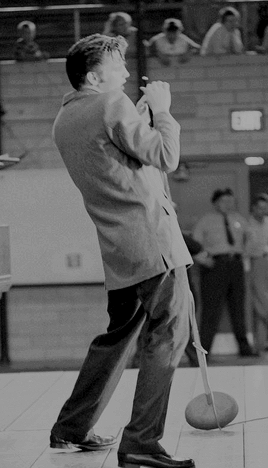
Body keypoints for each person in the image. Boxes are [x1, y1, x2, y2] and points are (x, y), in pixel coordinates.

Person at [49, 33, 195, 468]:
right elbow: (165, 157)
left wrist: (140, 116)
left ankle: (71, 429)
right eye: (119, 67)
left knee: (116, 340)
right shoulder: (111, 105)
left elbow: (122, 163)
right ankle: (142, 443)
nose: (128, 73)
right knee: (168, 336)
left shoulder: (66, 118)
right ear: (95, 76)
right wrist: (164, 112)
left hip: (119, 250)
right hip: (153, 244)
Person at [193, 188, 257, 360]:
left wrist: (246, 251)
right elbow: (195, 243)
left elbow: (251, 237)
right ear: (216, 203)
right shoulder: (205, 221)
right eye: (224, 201)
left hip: (235, 265)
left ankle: (245, 348)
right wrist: (203, 260)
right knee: (211, 310)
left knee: (238, 307)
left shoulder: (239, 219)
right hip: (215, 266)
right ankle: (203, 351)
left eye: (231, 201)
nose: (228, 205)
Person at [245, 194, 268, 352]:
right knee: (260, 300)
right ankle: (260, 343)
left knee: (262, 302)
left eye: (265, 208)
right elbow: (246, 249)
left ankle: (261, 344)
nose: (263, 210)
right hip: (256, 261)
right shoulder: (246, 224)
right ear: (253, 208)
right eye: (260, 207)